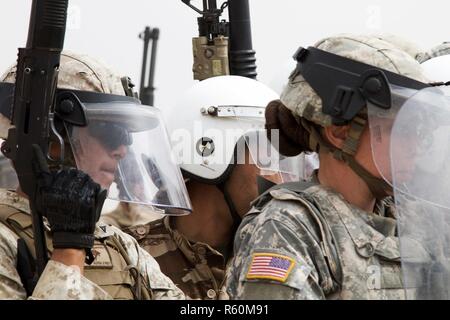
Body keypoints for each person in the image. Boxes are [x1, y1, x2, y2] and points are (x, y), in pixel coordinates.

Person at [226, 34, 436, 299]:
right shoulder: (289, 228)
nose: (416, 145)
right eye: (400, 128)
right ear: (339, 132)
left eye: (417, 128)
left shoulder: (413, 219)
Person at [0, 51, 190, 300]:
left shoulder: (118, 244)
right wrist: (69, 249)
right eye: (109, 132)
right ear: (52, 140)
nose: (122, 150)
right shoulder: (6, 240)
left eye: (125, 137)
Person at [125, 75, 300, 299]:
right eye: (268, 159)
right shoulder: (129, 259)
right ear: (212, 152)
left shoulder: (281, 261)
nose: (279, 178)